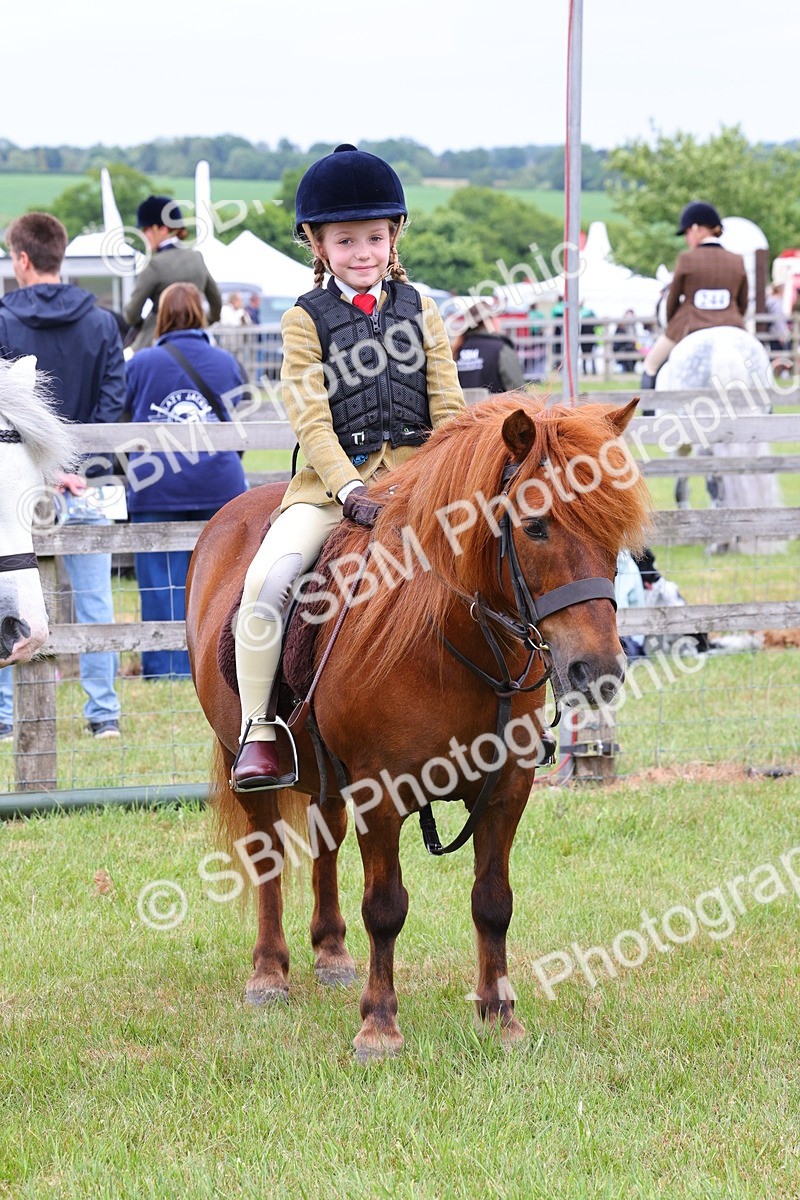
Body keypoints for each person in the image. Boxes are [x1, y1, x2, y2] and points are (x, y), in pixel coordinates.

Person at [232, 143, 465, 790]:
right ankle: (259, 731)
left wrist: (450, 476)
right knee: (268, 582)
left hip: (419, 482)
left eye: (374, 238)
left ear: (393, 239)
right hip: (333, 491)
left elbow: (448, 404)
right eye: (345, 240)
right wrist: (351, 487)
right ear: (318, 244)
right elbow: (310, 415)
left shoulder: (422, 308)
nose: (362, 252)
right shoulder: (304, 320)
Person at [0, 212, 125, 738]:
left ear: (23, 259)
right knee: (96, 598)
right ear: (61, 255)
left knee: (5, 589)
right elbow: (115, 405)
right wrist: (74, 467)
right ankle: (103, 715)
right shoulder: (102, 323)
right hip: (88, 482)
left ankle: (4, 717)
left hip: (12, 485)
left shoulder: (2, 320)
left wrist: (40, 470)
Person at [124, 282, 248, 679]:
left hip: (156, 485)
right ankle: (218, 667)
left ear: (161, 317)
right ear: (201, 313)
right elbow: (238, 420)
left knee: (160, 582)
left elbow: (122, 420)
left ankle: (163, 669)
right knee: (223, 582)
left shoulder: (140, 363)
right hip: (219, 483)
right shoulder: (225, 362)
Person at [640, 201, 748, 390]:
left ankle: (649, 415)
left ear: (698, 228)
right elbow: (743, 303)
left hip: (689, 323)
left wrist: (672, 323)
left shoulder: (687, 259)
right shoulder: (737, 260)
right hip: (732, 324)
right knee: (755, 361)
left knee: (650, 364)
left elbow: (672, 300)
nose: (686, 239)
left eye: (687, 232)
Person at [124, 195, 222, 352]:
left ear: (162, 229)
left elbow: (131, 313)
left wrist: (143, 323)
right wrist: (202, 321)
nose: (144, 235)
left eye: (147, 229)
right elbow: (216, 303)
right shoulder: (197, 258)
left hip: (156, 340)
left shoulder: (154, 264)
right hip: (197, 337)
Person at [451, 302, 525, 393]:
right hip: (496, 407)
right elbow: (519, 392)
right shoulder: (500, 349)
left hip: (462, 407)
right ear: (489, 321)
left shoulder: (456, 350)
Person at [612, 308, 641, 374]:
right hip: (621, 350)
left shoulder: (633, 328)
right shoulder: (620, 328)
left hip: (629, 349)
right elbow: (618, 344)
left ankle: (631, 371)